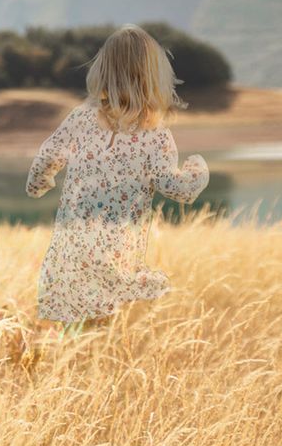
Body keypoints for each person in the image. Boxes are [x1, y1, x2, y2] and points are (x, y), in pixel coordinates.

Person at [26, 24, 209, 328]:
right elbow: (177, 188)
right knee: (104, 327)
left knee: (74, 324)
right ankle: (95, 355)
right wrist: (197, 169)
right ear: (154, 78)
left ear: (101, 71)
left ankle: (75, 355)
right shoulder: (154, 135)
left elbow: (48, 155)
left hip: (72, 247)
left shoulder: (81, 118)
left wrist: (38, 185)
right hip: (115, 252)